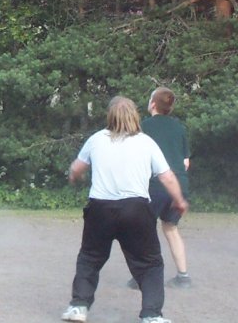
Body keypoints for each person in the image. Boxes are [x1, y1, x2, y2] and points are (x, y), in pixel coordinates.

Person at [62, 96, 188, 323]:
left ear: (109, 115)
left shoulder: (96, 139)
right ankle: (151, 314)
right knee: (150, 263)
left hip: (100, 209)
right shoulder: (146, 142)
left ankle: (78, 306)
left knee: (90, 258)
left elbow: (77, 168)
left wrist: (73, 175)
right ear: (135, 116)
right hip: (136, 209)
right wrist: (179, 200)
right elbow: (167, 177)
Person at [135, 87, 192, 289]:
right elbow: (186, 162)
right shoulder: (179, 128)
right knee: (171, 228)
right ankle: (183, 276)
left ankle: (143, 276)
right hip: (180, 185)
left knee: (144, 230)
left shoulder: (144, 126)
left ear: (152, 104)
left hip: (156, 185)